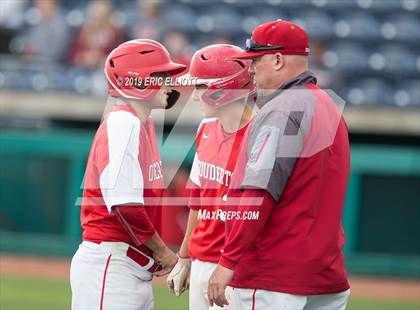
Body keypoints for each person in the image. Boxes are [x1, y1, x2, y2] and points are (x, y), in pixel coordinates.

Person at [207, 20, 351, 309]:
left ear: (276, 59)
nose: (250, 70)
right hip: (324, 273)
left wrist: (229, 260)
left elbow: (259, 193)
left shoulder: (282, 109)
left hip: (273, 275)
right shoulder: (327, 105)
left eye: (255, 60)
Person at [70, 39, 186, 310]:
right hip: (111, 268)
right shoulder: (123, 122)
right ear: (138, 80)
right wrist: (165, 254)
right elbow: (126, 206)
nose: (169, 82)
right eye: (161, 75)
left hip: (129, 268)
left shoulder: (142, 123)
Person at [166, 44, 255, 309]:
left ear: (224, 88)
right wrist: (184, 257)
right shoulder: (205, 127)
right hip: (201, 259)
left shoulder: (259, 136)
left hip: (236, 267)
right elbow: (197, 199)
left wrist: (229, 265)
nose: (194, 97)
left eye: (201, 87)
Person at [69, 0, 124, 69]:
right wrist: (84, 58)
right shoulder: (82, 31)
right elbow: (73, 54)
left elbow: (119, 57)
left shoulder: (115, 33)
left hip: (105, 70)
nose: (98, 19)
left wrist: (102, 59)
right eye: (95, 15)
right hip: (82, 69)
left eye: (101, 16)